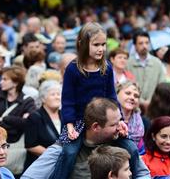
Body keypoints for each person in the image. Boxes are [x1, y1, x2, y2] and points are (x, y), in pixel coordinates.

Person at [51, 22, 129, 178]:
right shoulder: (73, 69)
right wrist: (70, 125)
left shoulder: (106, 67)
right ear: (83, 44)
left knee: (131, 148)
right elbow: (68, 101)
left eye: (103, 44)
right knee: (68, 152)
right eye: (96, 44)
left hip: (105, 121)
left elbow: (112, 97)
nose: (101, 48)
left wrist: (119, 119)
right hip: (78, 122)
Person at [21, 98, 150, 179]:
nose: (121, 127)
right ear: (95, 127)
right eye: (113, 124)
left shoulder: (123, 144)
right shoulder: (64, 148)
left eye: (120, 121)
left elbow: (142, 173)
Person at [0, 66, 36, 142]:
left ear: (16, 83)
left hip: (17, 144)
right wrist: (15, 128)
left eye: (5, 79)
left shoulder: (27, 101)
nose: (1, 82)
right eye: (1, 79)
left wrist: (5, 119)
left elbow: (28, 123)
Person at [24, 80, 62, 169]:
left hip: (61, 166)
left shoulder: (64, 115)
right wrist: (55, 155)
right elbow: (30, 145)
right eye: (53, 94)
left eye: (58, 94)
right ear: (43, 98)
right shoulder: (34, 117)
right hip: (42, 166)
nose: (57, 97)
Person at [126, 31, 165, 112]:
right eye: (141, 43)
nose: (144, 46)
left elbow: (161, 85)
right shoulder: (128, 63)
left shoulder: (157, 63)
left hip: (153, 107)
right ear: (135, 45)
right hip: (133, 107)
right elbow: (126, 85)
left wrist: (151, 101)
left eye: (147, 43)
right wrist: (141, 102)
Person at [116, 81, 145, 153]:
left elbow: (141, 151)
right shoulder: (109, 117)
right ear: (116, 94)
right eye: (128, 93)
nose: (132, 97)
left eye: (136, 96)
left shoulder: (140, 121)